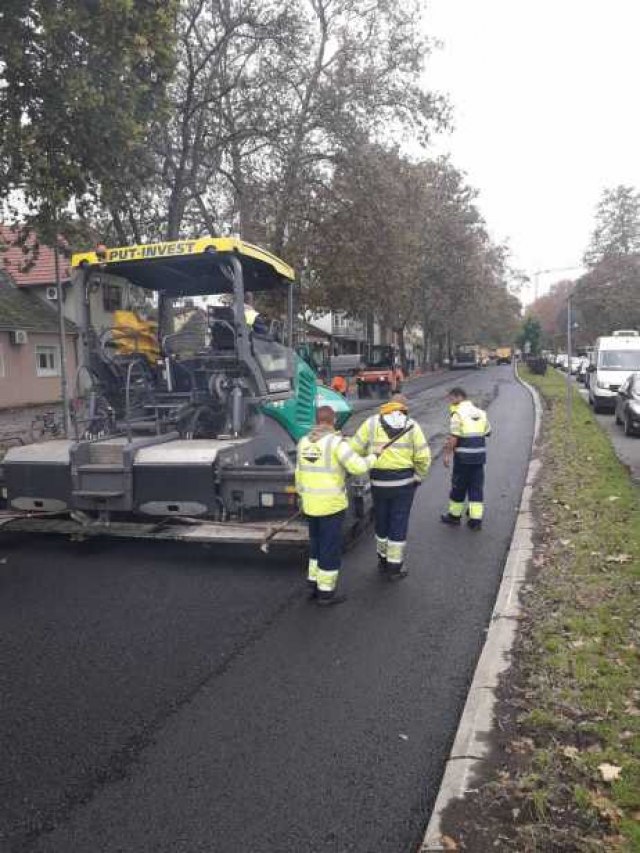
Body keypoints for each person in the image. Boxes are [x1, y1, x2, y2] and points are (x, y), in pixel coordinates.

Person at [295, 405, 377, 606]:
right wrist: (374, 456)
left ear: (317, 421)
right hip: (331, 506)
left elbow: (298, 474)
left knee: (315, 545)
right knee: (329, 548)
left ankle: (312, 584)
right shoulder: (336, 443)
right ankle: (326, 593)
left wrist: (303, 496)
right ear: (333, 422)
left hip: (310, 505)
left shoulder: (303, 442)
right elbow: (357, 467)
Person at [351, 394, 431, 578]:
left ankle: (382, 559)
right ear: (404, 408)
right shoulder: (412, 425)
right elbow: (423, 457)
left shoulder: (371, 423)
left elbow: (354, 449)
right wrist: (419, 476)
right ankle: (394, 568)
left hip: (379, 482)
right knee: (398, 520)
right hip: (403, 483)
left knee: (382, 519)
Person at [440, 387, 491, 530]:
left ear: (458, 397)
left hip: (462, 459)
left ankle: (454, 517)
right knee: (476, 487)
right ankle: (475, 521)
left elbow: (454, 437)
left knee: (459, 487)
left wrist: (447, 455)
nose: (450, 402)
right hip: (479, 458)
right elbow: (488, 432)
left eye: (451, 399)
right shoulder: (481, 413)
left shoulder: (457, 414)